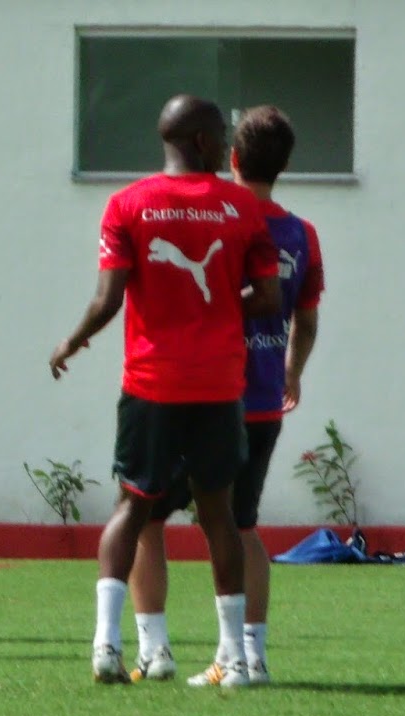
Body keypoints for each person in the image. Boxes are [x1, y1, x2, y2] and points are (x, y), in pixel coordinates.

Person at [48, 94, 280, 688]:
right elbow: (268, 298)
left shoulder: (127, 204)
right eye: (220, 132)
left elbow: (108, 299)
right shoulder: (242, 207)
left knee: (133, 506)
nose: (226, 142)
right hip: (217, 384)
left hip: (151, 383)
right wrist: (220, 303)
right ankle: (234, 658)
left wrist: (72, 341)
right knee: (218, 514)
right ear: (202, 141)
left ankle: (106, 644)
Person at [127, 105, 324, 686]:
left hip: (196, 393)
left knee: (146, 517)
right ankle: (250, 656)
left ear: (231, 156)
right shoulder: (302, 234)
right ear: (284, 166)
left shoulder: (222, 216)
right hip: (261, 400)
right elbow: (306, 319)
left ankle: (155, 649)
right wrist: (292, 372)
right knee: (241, 525)